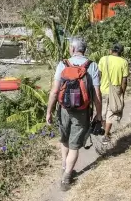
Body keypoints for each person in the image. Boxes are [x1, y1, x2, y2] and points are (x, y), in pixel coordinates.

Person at [46, 36, 102, 191]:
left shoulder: (63, 64)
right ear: (84, 50)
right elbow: (97, 94)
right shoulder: (92, 66)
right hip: (82, 111)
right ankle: (66, 177)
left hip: (64, 109)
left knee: (64, 140)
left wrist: (48, 112)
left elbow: (54, 91)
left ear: (72, 49)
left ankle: (64, 167)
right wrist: (99, 114)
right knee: (74, 145)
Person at [98, 43, 129, 144]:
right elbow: (124, 81)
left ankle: (106, 132)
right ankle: (106, 135)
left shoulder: (103, 59)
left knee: (102, 113)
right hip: (116, 91)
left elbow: (98, 75)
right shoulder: (124, 62)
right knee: (110, 113)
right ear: (121, 52)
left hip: (103, 90)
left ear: (111, 50)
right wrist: (122, 94)